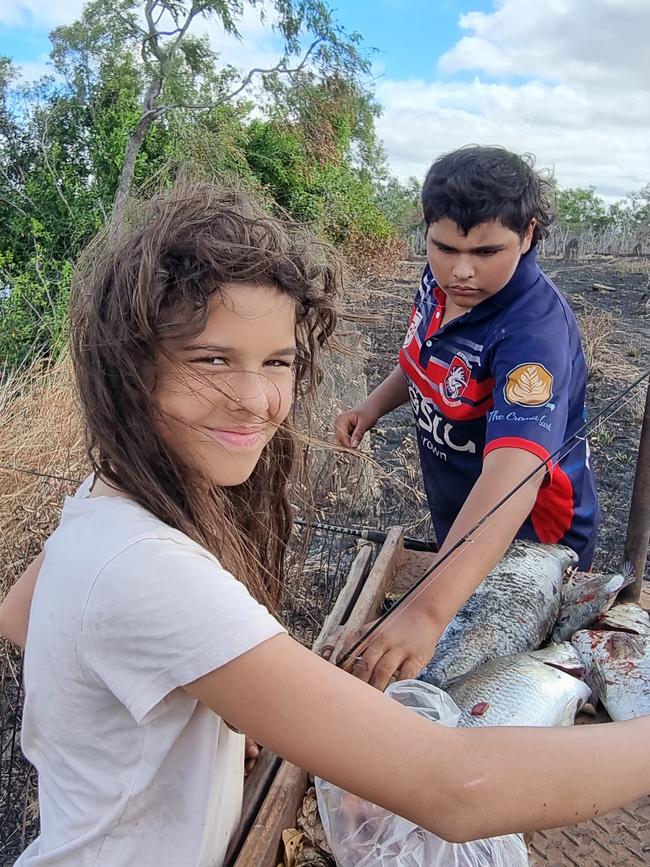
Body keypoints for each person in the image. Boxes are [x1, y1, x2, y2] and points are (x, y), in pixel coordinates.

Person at [0, 182, 647, 867]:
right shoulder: (147, 565)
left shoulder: (108, 492)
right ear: (127, 364)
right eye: (211, 359)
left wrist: (205, 697)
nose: (255, 399)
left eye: (276, 360)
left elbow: (20, 612)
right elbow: (456, 787)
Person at [335, 146, 599, 689]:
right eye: (444, 247)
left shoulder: (533, 333)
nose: (462, 270)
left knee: (478, 683)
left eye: (486, 251)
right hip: (461, 518)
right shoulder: (441, 285)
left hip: (529, 537)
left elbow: (512, 475)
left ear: (527, 234)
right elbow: (425, 358)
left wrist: (426, 612)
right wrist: (374, 405)